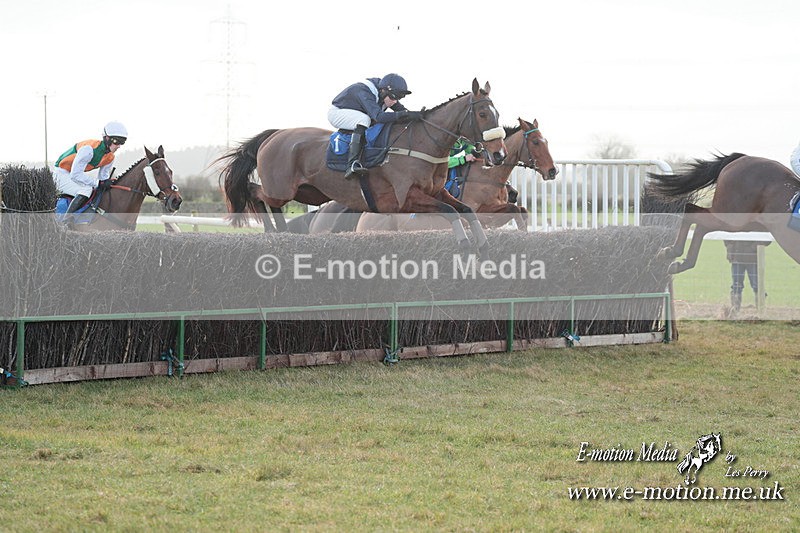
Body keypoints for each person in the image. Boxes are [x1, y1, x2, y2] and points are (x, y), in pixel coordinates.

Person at [328, 73, 424, 179]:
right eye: (394, 97)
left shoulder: (384, 92)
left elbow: (402, 111)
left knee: (367, 120)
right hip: (337, 113)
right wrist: (405, 114)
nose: (395, 101)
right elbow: (380, 117)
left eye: (398, 98)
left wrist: (418, 115)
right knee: (364, 120)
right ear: (383, 91)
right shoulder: (365, 91)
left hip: (354, 112)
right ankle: (352, 164)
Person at [53, 121, 127, 227]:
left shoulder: (110, 157)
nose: (118, 146)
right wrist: (99, 183)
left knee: (99, 191)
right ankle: (66, 221)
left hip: (73, 174)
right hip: (61, 173)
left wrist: (107, 183)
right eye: (116, 141)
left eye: (122, 142)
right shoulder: (89, 149)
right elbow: (76, 175)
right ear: (106, 138)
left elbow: (103, 179)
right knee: (86, 189)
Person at [724, 239, 770, 311]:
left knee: (757, 286)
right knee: (736, 286)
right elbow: (726, 236)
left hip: (752, 258)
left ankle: (761, 310)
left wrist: (753, 248)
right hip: (737, 257)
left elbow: (767, 239)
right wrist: (731, 247)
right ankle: (735, 311)